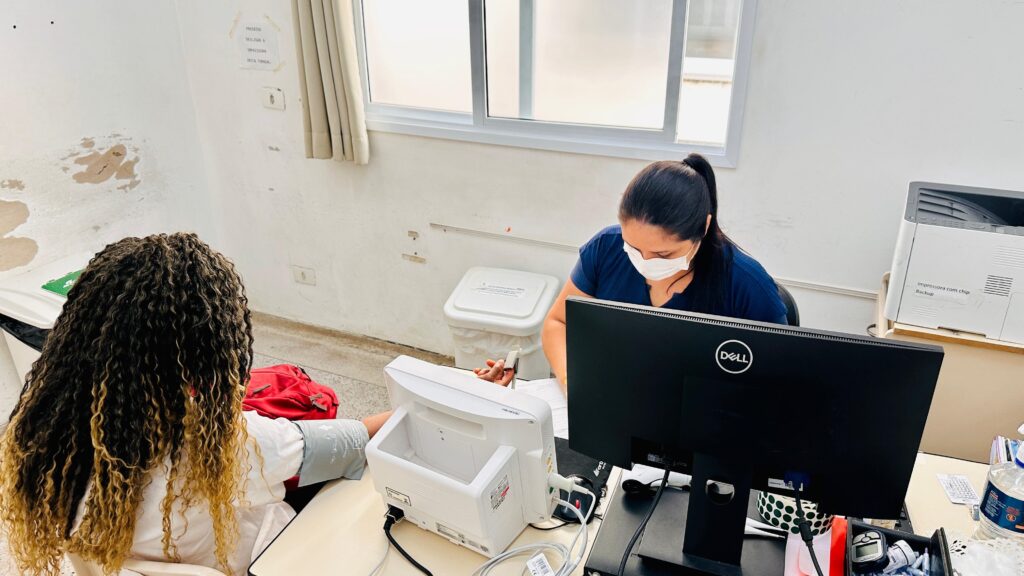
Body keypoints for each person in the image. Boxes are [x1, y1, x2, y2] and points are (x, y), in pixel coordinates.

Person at [0, 233, 389, 576]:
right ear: (209, 353)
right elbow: (354, 441)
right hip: (264, 557)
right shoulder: (221, 444)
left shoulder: (39, 440)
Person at [478, 154, 786, 392]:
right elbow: (558, 323)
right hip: (616, 400)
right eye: (634, 248)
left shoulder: (746, 284)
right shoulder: (606, 248)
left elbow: (778, 381)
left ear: (703, 228)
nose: (645, 262)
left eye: (663, 254)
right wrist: (574, 383)